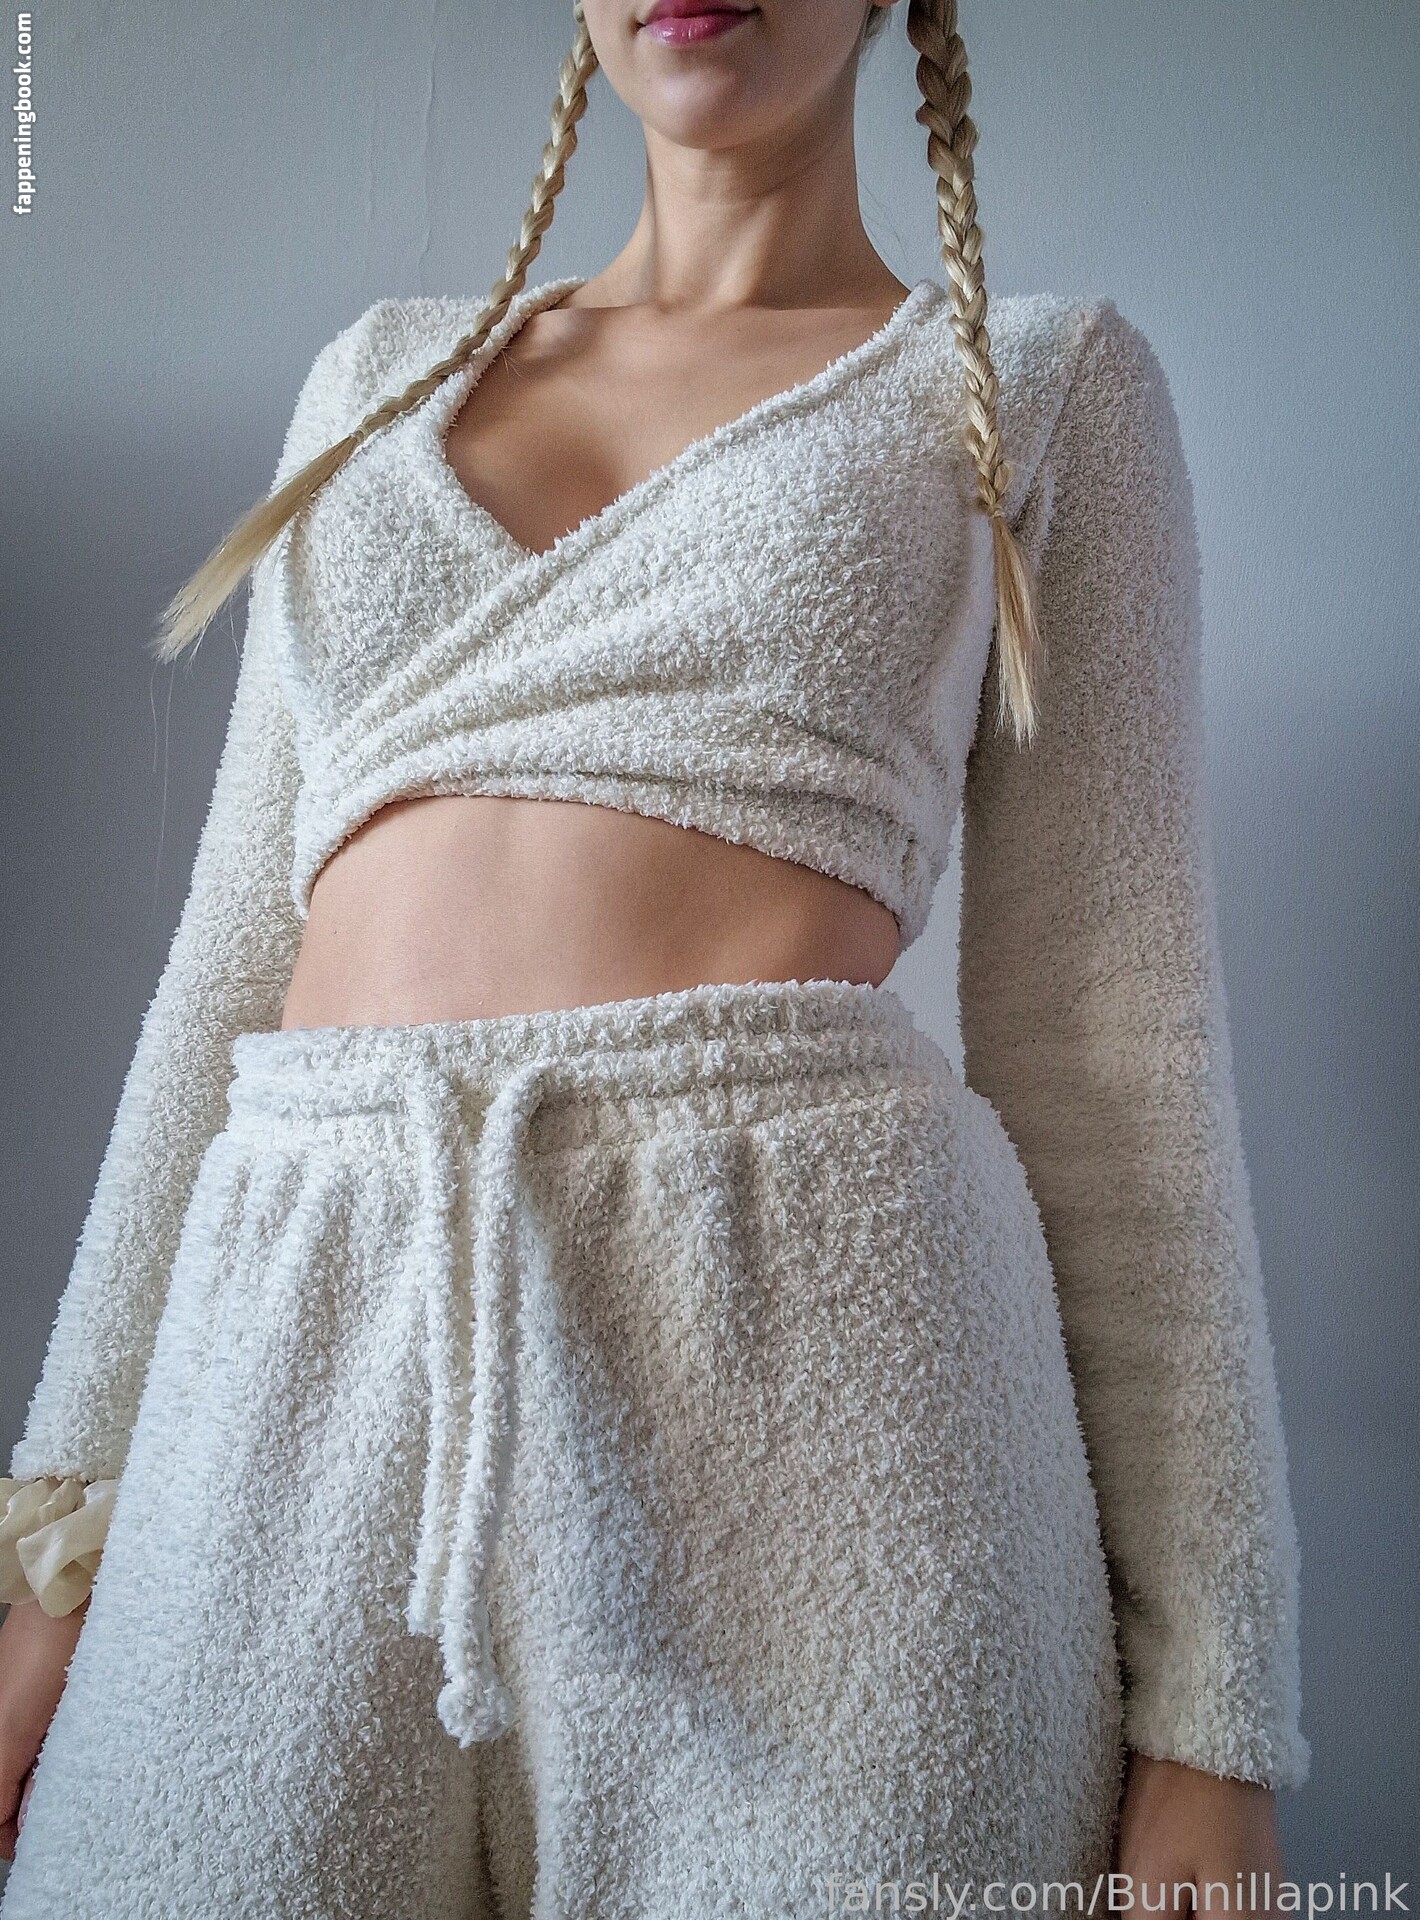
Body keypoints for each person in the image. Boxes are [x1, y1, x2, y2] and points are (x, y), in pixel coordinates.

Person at [0, 0, 1309, 1912]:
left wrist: (1212, 1718)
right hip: (296, 1348)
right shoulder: (374, 380)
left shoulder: (1034, 387)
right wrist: (51, 1555)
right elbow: (225, 978)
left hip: (825, 1399)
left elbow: (1117, 1058)